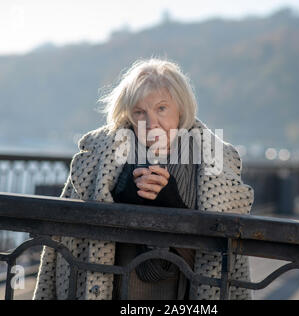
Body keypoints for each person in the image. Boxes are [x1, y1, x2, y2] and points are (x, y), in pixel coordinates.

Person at [32, 58, 254, 300]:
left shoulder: (214, 160)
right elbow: (72, 237)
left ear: (181, 109)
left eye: (161, 108)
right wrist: (119, 198)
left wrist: (173, 206)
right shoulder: (100, 158)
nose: (151, 123)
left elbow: (218, 258)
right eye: (139, 112)